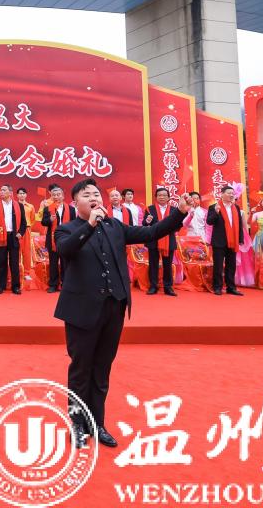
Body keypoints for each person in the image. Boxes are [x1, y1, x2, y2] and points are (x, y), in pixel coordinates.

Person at [55, 179, 189, 448]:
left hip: (114, 307)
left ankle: (97, 423)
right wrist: (89, 225)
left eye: (96, 193)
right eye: (86, 195)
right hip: (81, 310)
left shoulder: (115, 226)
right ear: (75, 202)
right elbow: (65, 250)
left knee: (102, 369)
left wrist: (179, 213)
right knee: (81, 370)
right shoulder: (66, 229)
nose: (94, 198)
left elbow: (151, 232)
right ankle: (77, 424)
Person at [0, 185, 27, 294]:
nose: (1, 192)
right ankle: (0, 286)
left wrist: (20, 233)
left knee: (14, 263)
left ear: (10, 192)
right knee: (1, 263)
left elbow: (24, 223)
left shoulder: (19, 206)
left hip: (14, 237)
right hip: (0, 237)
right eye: (0, 190)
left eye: (4, 190)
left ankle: (16, 286)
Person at [205, 185, 245, 296]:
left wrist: (240, 238)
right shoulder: (214, 207)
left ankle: (231, 287)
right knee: (218, 266)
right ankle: (217, 287)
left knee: (231, 265)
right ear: (222, 194)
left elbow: (239, 225)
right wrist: (216, 212)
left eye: (232, 193)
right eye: (228, 193)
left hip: (233, 240)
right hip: (219, 241)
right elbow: (209, 222)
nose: (231, 195)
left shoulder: (236, 208)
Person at [142, 188, 179, 296]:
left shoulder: (174, 210)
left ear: (168, 197)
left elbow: (178, 226)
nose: (162, 197)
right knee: (153, 264)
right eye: (159, 195)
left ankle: (168, 287)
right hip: (153, 240)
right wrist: (147, 221)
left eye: (164, 195)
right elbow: (144, 224)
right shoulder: (150, 209)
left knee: (168, 265)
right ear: (156, 197)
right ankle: (153, 286)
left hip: (168, 240)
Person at [40, 183, 76, 293]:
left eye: (58, 194)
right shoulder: (48, 208)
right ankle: (53, 284)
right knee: (53, 263)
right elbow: (43, 222)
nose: (56, 197)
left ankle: (65, 284)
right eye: (54, 195)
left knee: (66, 262)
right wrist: (50, 220)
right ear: (51, 196)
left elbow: (74, 223)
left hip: (66, 238)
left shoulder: (71, 209)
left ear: (63, 196)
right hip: (52, 238)